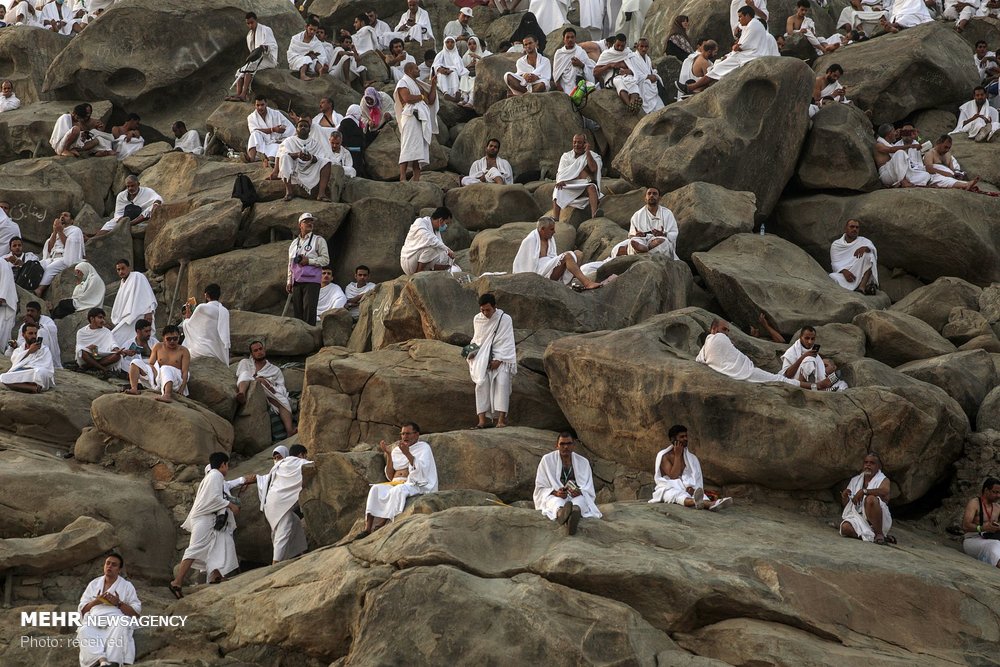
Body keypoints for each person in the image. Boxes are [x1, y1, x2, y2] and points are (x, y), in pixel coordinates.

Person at [169, 453, 241, 598]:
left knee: (217, 543)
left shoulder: (211, 476)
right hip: (203, 518)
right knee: (195, 548)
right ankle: (176, 582)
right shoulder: (216, 476)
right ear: (223, 465)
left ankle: (215, 575)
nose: (227, 468)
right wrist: (230, 505)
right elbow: (213, 499)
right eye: (227, 465)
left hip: (206, 518)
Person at [355, 422, 438, 538]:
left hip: (413, 483)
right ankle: (367, 528)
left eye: (408, 434)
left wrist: (407, 453)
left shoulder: (423, 448)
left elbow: (421, 470)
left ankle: (383, 522)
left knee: (398, 491)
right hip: (394, 482)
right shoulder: (397, 450)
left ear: (417, 435)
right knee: (375, 489)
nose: (405, 437)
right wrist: (389, 454)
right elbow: (390, 475)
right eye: (403, 434)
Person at [697, 319, 833, 389]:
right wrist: (805, 357)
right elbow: (787, 374)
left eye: (727, 330)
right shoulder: (718, 338)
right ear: (713, 329)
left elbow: (701, 359)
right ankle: (817, 386)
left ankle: (821, 385)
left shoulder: (708, 345)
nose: (726, 332)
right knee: (780, 380)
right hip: (746, 371)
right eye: (723, 329)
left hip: (745, 370)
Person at [241, 444, 313, 562]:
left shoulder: (280, 465)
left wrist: (243, 481)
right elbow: (314, 465)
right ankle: (276, 562)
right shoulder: (298, 462)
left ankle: (301, 551)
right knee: (283, 530)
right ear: (301, 455)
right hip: (280, 505)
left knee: (295, 521)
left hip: (271, 503)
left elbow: (261, 478)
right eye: (306, 455)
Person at [687, 7, 778, 93]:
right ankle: (699, 88)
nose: (738, 20)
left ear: (747, 16)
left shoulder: (753, 25)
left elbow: (742, 46)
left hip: (750, 56)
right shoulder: (751, 24)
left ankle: (692, 87)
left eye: (740, 17)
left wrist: (736, 47)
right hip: (748, 54)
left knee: (719, 68)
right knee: (718, 64)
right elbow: (742, 37)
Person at [77, 553, 141, 667]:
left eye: (114, 565)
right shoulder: (94, 584)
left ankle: (113, 661)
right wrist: (96, 601)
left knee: (121, 624)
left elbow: (136, 612)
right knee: (83, 630)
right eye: (108, 563)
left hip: (116, 617)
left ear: (119, 569)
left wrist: (118, 603)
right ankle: (101, 660)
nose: (109, 566)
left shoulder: (127, 586)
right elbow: (82, 610)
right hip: (95, 618)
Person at [533, 433, 602, 535]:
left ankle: (573, 514)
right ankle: (562, 514)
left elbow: (588, 487)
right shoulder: (547, 460)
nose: (566, 447)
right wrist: (555, 492)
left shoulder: (583, 462)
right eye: (562, 444)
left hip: (575, 496)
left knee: (581, 501)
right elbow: (540, 486)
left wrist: (579, 491)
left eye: (569, 444)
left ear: (573, 445)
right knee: (555, 502)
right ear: (557, 445)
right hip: (556, 496)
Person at [650, 425, 732, 510]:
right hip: (668, 487)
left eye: (686, 436)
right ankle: (708, 503)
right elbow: (673, 476)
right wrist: (677, 455)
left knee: (699, 495)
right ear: (673, 439)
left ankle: (707, 503)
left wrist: (693, 488)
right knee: (676, 495)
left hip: (688, 490)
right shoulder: (664, 456)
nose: (685, 439)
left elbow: (696, 478)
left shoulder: (692, 458)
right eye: (682, 437)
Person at [512, 216, 604, 290]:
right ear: (543, 229)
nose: (554, 232)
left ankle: (570, 285)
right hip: (538, 273)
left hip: (549, 268)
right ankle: (587, 283)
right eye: (551, 229)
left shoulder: (549, 239)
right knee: (567, 256)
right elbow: (523, 264)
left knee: (578, 254)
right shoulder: (530, 240)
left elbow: (552, 257)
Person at [467, 293, 516, 429]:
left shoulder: (505, 319)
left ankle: (501, 420)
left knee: (502, 382)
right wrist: (470, 352)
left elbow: (507, 342)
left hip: (502, 358)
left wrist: (499, 360)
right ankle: (482, 421)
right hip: (483, 356)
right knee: (481, 383)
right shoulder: (478, 319)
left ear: (495, 307)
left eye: (488, 310)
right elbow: (478, 339)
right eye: (482, 310)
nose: (485, 313)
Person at [237, 340, 296, 436]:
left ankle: (290, 430)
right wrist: (257, 379)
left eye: (260, 349)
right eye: (255, 350)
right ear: (252, 354)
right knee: (245, 374)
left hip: (268, 391)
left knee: (283, 401)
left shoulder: (275, 370)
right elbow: (240, 374)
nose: (259, 352)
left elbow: (282, 387)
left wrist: (269, 385)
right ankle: (242, 394)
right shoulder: (245, 363)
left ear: (264, 350)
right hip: (248, 385)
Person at [394, 61, 438, 183]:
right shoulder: (403, 82)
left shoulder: (417, 84)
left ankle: (416, 178)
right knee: (407, 145)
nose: (419, 70)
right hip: (410, 117)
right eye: (416, 69)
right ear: (409, 71)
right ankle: (402, 177)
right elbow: (407, 98)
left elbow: (430, 100)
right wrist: (421, 97)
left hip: (420, 119)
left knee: (419, 149)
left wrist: (433, 85)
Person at [286, 213, 330, 326]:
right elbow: (291, 263)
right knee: (298, 312)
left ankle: (310, 336)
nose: (310, 223)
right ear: (300, 225)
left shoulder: (319, 240)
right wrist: (289, 281)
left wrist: (309, 261)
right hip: (297, 280)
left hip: (312, 280)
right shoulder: (294, 243)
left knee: (309, 310)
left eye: (311, 221)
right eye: (306, 221)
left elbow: (326, 260)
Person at [125, 324, 189, 402]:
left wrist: (182, 389)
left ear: (179, 337)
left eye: (175, 339)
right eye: (169, 339)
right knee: (135, 362)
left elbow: (185, 372)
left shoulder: (183, 351)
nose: (172, 341)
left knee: (165, 368)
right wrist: (157, 373)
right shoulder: (158, 346)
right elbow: (151, 363)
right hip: (157, 377)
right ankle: (134, 388)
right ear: (163, 338)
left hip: (175, 379)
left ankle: (167, 395)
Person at [839, 453, 892, 544]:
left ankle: (879, 533)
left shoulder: (883, 479)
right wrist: (845, 497)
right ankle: (872, 536)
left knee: (870, 499)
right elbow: (847, 505)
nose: (868, 465)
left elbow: (885, 491)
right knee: (845, 529)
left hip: (878, 520)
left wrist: (864, 491)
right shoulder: (855, 480)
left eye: (872, 463)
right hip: (859, 518)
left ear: (878, 466)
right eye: (866, 462)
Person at [611, 186, 678, 258]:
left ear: (659, 198)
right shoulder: (637, 215)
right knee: (617, 248)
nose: (651, 195)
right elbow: (631, 235)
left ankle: (644, 249)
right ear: (645, 198)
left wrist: (664, 234)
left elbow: (673, 233)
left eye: (654, 194)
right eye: (649, 194)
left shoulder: (667, 213)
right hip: (641, 240)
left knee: (663, 241)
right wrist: (637, 235)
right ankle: (643, 248)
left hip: (657, 240)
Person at [277, 119, 333, 203]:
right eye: (301, 126)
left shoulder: (314, 143)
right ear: (296, 129)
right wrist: (297, 155)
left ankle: (321, 194)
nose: (303, 127)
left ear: (309, 129)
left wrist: (311, 157)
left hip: (309, 166)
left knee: (326, 161)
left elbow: (320, 156)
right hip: (295, 166)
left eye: (305, 126)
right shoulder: (289, 140)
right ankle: (289, 192)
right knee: (284, 157)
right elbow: (282, 153)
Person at [227, 12, 278, 102]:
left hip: (268, 59)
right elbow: (253, 53)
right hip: (257, 59)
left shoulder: (266, 29)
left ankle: (244, 94)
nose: (250, 25)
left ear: (256, 20)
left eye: (252, 22)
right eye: (248, 23)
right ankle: (238, 94)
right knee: (240, 70)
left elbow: (273, 45)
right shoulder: (249, 36)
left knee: (250, 67)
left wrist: (265, 47)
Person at [92, 175, 162, 239]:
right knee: (109, 224)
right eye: (128, 186)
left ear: (138, 184)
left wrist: (156, 204)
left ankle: (131, 223)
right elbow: (118, 213)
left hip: (141, 218)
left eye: (132, 185)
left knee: (149, 210)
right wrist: (121, 221)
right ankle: (92, 239)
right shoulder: (121, 196)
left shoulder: (147, 191)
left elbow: (158, 199)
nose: (130, 188)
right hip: (125, 219)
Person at [780, 326, 847, 390]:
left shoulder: (814, 353)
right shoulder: (791, 352)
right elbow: (787, 375)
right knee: (809, 359)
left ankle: (821, 387)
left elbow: (820, 372)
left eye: (812, 339)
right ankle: (807, 388)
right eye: (807, 338)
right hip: (795, 382)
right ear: (800, 337)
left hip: (815, 383)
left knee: (841, 385)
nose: (810, 342)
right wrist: (803, 357)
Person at [552, 134, 602, 219]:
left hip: (584, 185)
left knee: (592, 188)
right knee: (557, 190)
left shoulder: (592, 155)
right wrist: (560, 180)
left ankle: (594, 215)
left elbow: (593, 169)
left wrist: (587, 152)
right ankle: (555, 218)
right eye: (574, 142)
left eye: (579, 142)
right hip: (570, 185)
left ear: (585, 143)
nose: (576, 145)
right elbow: (561, 172)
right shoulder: (566, 156)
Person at [109, 258, 156, 349]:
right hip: (128, 316)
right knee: (117, 337)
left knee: (116, 335)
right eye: (118, 269)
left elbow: (147, 294)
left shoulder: (138, 276)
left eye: (123, 268)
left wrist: (149, 312)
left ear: (129, 268)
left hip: (141, 314)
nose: (121, 271)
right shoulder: (123, 283)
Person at [36, 211, 84, 298]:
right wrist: (55, 232)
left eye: (66, 215)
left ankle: (39, 290)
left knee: (50, 268)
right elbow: (49, 249)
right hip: (52, 257)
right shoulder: (57, 230)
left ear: (72, 220)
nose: (62, 217)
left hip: (66, 258)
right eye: (61, 215)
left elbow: (70, 246)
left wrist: (60, 231)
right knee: (38, 265)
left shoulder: (75, 230)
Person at [181, 283, 230, 364]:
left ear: (206, 295)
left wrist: (187, 318)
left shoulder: (202, 307)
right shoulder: (225, 311)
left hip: (202, 350)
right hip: (219, 352)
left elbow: (189, 326)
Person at [594, 33, 644, 112]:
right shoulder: (606, 54)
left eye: (622, 46)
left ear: (625, 44)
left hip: (627, 75)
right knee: (619, 82)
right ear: (614, 43)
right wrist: (609, 65)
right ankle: (629, 105)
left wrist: (629, 71)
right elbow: (595, 72)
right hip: (612, 76)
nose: (620, 48)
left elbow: (635, 68)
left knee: (633, 84)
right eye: (618, 45)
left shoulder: (628, 52)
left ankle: (633, 103)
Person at [1, 322, 55, 393]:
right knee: (2, 377)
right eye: (30, 333)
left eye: (35, 333)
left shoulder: (44, 349)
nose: (34, 336)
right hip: (22, 372)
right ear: (23, 335)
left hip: (35, 372)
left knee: (41, 372)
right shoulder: (18, 350)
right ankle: (32, 388)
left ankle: (18, 385)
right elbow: (15, 362)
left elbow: (47, 368)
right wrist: (29, 351)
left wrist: (32, 368)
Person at [829, 219, 878, 294]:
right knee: (832, 276)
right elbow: (835, 263)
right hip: (844, 275)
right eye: (852, 227)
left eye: (857, 227)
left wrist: (866, 248)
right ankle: (861, 287)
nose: (854, 229)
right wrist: (844, 271)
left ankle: (862, 287)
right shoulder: (836, 244)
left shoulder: (864, 241)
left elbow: (873, 250)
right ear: (845, 229)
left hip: (860, 273)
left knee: (869, 255)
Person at [400, 207, 454, 274]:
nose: (446, 226)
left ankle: (429, 274)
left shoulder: (436, 231)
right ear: (440, 220)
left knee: (447, 258)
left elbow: (441, 250)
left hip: (419, 259)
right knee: (433, 247)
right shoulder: (420, 222)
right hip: (409, 260)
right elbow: (429, 239)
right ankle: (418, 275)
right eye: (446, 223)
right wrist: (447, 249)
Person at [873, 122, 928, 188]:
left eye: (910, 132)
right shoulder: (880, 145)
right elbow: (891, 150)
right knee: (900, 153)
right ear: (889, 134)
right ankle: (903, 181)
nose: (896, 133)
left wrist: (918, 136)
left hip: (905, 172)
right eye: (894, 131)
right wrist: (910, 146)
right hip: (888, 173)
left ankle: (899, 183)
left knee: (926, 175)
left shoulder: (915, 143)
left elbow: (924, 147)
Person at [961, 477, 1000, 569]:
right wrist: (982, 528)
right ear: (986, 490)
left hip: (991, 539)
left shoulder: (998, 507)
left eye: (999, 493)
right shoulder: (974, 503)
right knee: (993, 546)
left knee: (995, 544)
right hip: (972, 540)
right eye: (995, 492)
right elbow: (965, 526)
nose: (998, 495)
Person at [246, 95, 293, 166]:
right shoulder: (251, 117)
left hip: (276, 142)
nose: (260, 107)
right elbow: (254, 130)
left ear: (266, 104)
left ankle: (266, 159)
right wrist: (273, 129)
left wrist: (282, 131)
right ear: (254, 105)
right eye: (258, 105)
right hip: (262, 142)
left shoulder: (276, 114)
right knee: (254, 134)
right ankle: (251, 158)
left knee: (273, 155)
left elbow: (290, 129)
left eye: (262, 105)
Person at [76, 307, 123, 374]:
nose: (103, 320)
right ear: (92, 318)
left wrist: (116, 349)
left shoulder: (106, 331)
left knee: (117, 356)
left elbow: (112, 343)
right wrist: (89, 348)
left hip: (101, 356)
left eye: (103, 318)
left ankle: (88, 366)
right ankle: (103, 369)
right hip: (89, 355)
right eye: (100, 318)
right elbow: (79, 347)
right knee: (82, 352)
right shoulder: (81, 332)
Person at [14, 301, 61, 368]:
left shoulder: (47, 320)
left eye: (32, 311)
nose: (29, 313)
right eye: (28, 311)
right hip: (29, 351)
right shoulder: (24, 325)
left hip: (44, 351)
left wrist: (35, 324)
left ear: (39, 312)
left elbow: (53, 330)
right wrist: (15, 344)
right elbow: (21, 341)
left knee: (42, 332)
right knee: (9, 351)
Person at [551, 28, 595, 96]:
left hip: (579, 82)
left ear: (575, 39)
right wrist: (559, 88)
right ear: (564, 39)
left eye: (572, 37)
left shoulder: (581, 52)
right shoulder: (559, 53)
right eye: (567, 37)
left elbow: (590, 69)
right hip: (564, 84)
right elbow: (556, 74)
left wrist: (581, 64)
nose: (570, 39)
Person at [631, 38, 664, 114]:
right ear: (637, 46)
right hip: (641, 84)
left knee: (661, 108)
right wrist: (647, 77)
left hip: (652, 85)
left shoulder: (648, 58)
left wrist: (653, 75)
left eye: (646, 47)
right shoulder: (632, 57)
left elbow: (650, 71)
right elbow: (634, 73)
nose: (644, 49)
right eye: (641, 46)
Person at [433, 36, 469, 104]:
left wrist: (451, 69)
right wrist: (443, 70)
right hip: (443, 71)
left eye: (452, 42)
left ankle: (456, 93)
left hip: (454, 72)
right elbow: (435, 65)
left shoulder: (457, 56)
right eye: (448, 42)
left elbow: (460, 68)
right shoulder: (440, 54)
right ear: (444, 43)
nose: (450, 44)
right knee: (440, 75)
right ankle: (446, 93)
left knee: (454, 73)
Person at [459, 36, 490, 105]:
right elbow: (462, 68)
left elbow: (488, 65)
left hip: (480, 75)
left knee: (474, 80)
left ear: (478, 44)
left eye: (474, 43)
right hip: (469, 74)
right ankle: (464, 97)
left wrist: (478, 58)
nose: (472, 46)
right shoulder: (466, 56)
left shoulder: (483, 55)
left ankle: (471, 100)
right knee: (464, 75)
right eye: (469, 44)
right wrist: (469, 65)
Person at [0, 257, 14, 342]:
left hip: (5, 300)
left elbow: (5, 279)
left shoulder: (2, 262)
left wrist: (2, 297)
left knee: (3, 323)